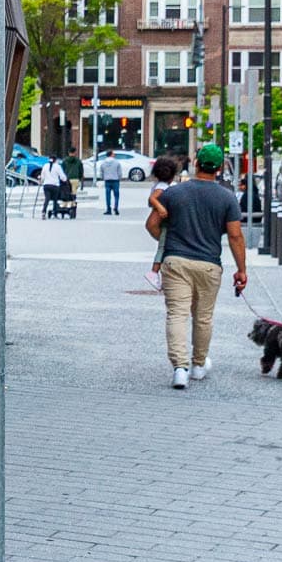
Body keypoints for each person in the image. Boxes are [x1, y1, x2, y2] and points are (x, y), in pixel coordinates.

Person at [146, 143, 248, 391]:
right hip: (209, 264)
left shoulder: (174, 193)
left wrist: (168, 241)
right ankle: (198, 365)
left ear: (196, 163)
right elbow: (235, 236)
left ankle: (179, 369)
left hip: (175, 261)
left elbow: (152, 225)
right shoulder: (227, 197)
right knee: (203, 317)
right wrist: (241, 269)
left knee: (177, 314)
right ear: (219, 168)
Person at [97, 149, 126, 215]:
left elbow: (101, 172)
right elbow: (119, 172)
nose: (114, 154)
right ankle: (116, 207)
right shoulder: (117, 162)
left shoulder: (103, 163)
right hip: (115, 180)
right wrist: (119, 178)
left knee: (108, 195)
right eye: (113, 153)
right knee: (116, 195)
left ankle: (108, 209)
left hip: (107, 180)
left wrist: (103, 177)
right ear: (111, 154)